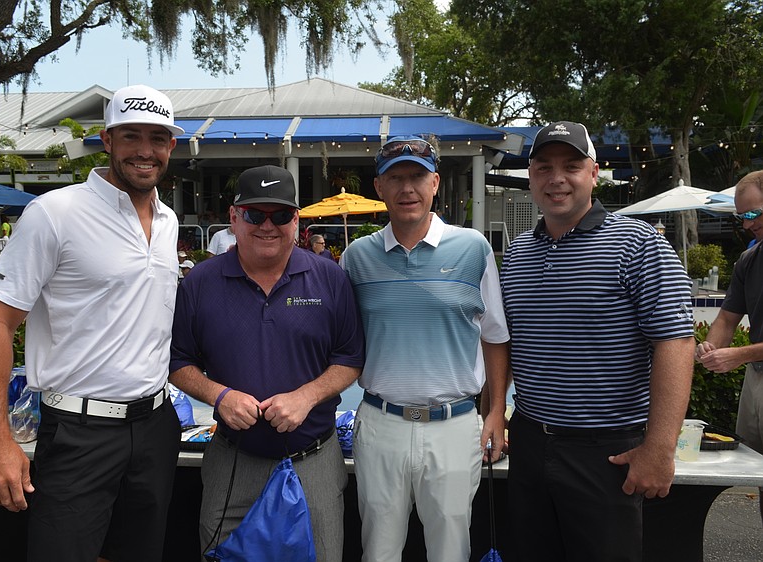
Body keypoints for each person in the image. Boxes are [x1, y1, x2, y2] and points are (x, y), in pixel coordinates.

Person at [0, 84, 184, 562]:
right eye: (131, 136)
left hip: (154, 427)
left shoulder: (169, 221)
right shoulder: (54, 213)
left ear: (172, 146)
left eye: (157, 138)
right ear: (106, 140)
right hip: (78, 432)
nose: (144, 151)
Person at [500, 121, 695, 561]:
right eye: (544, 167)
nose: (557, 178)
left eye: (571, 165)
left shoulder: (639, 244)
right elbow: (505, 342)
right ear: (530, 176)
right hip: (530, 440)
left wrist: (660, 449)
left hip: (605, 451)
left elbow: (676, 344)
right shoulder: (517, 254)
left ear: (594, 172)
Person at [169, 164, 365, 562]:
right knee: (221, 555)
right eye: (256, 215)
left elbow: (350, 359)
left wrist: (306, 397)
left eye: (281, 215)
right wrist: (219, 395)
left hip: (314, 458)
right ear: (234, 218)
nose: (268, 226)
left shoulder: (329, 278)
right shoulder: (201, 283)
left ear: (297, 220)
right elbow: (177, 362)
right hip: (234, 458)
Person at [340, 135, 510, 562]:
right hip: (381, 424)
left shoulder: (473, 248)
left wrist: (495, 414)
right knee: (378, 550)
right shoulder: (356, 257)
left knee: (450, 551)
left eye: (417, 176)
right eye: (394, 178)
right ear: (378, 188)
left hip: (454, 426)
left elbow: (495, 335)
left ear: (435, 183)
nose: (406, 188)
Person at [696, 169, 763, 526]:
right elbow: (726, 319)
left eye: (754, 213)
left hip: (752, 366)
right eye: (741, 216)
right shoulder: (748, 261)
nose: (747, 224)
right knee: (760, 478)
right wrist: (709, 348)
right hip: (756, 380)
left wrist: (739, 354)